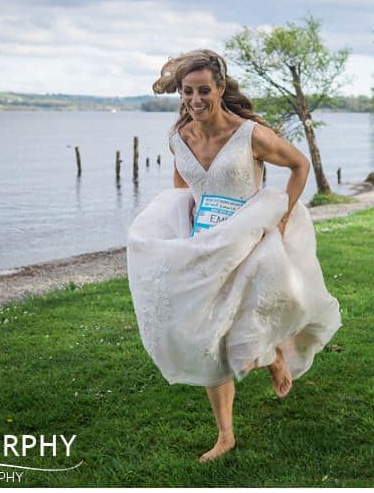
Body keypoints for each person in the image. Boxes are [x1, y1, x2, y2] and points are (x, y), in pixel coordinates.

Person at [127, 49, 341, 462]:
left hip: (251, 239)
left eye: (204, 90)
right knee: (207, 335)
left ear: (221, 88)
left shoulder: (250, 135)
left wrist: (283, 215)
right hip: (206, 244)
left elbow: (299, 166)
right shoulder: (179, 137)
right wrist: (186, 224)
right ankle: (225, 434)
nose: (195, 100)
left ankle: (274, 353)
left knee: (245, 329)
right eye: (187, 92)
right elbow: (183, 182)